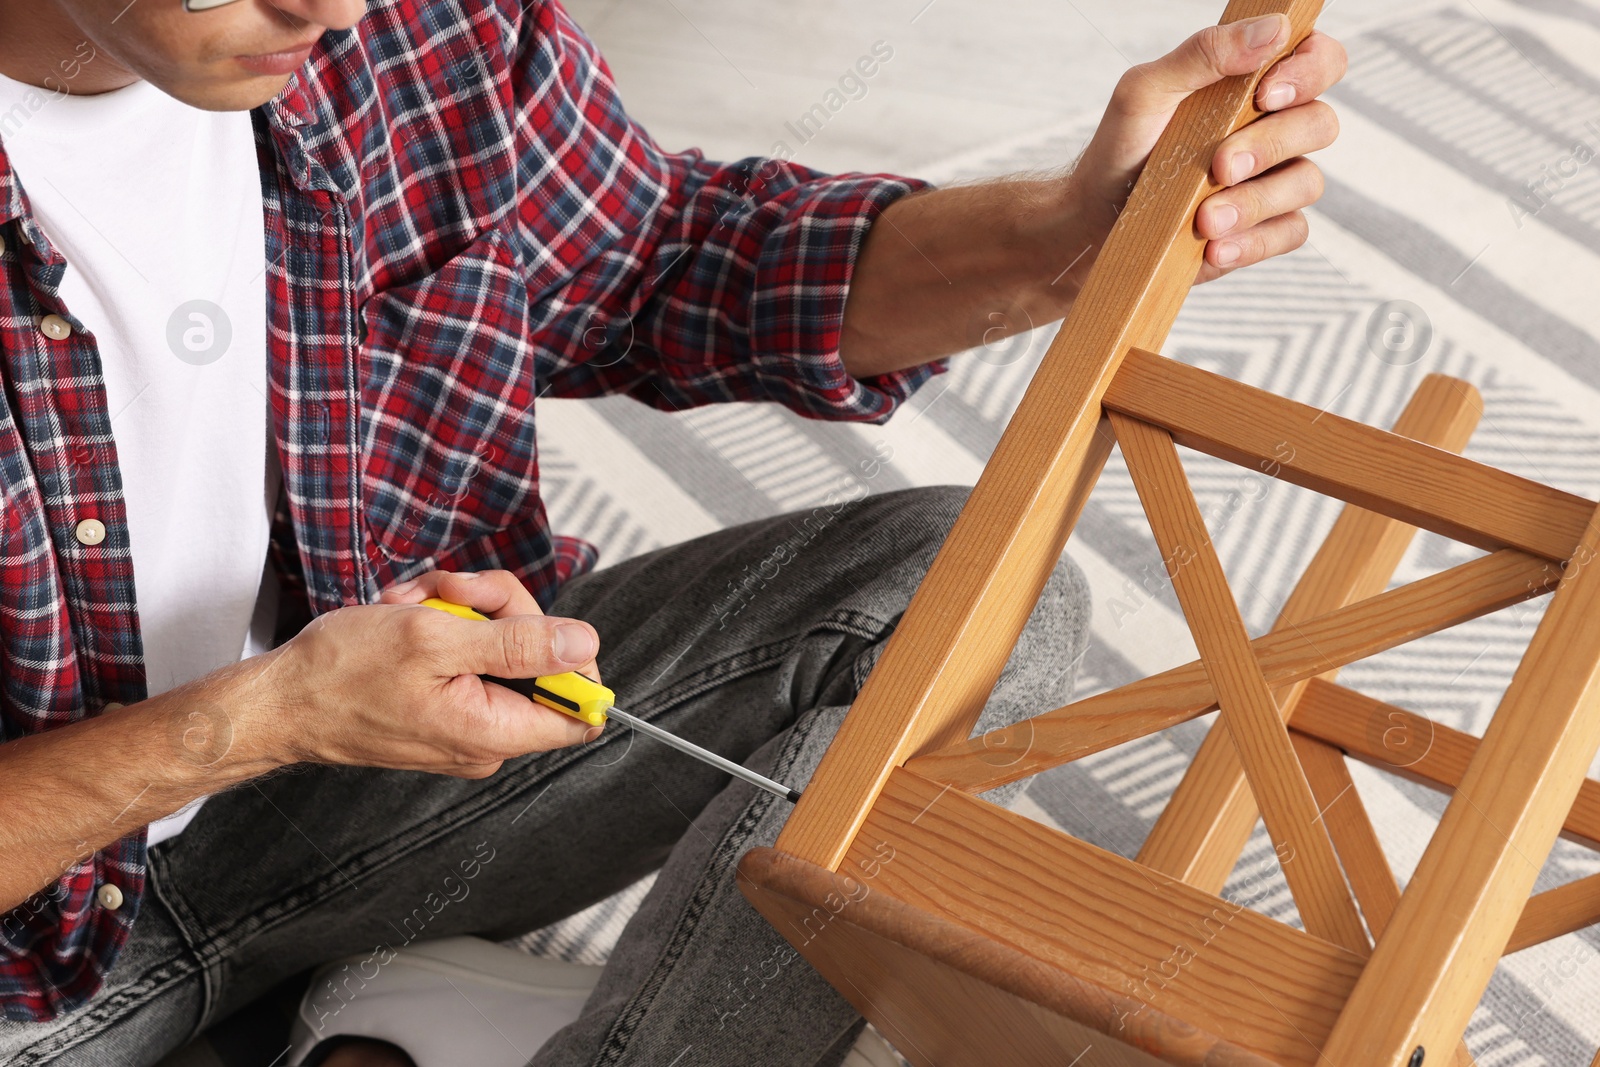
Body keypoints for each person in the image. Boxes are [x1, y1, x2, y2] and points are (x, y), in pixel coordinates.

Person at [0, 1, 1346, 1064]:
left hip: (345, 803)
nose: (334, 8)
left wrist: (1059, 240)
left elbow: (663, 259)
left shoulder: (409, 26)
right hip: (31, 951)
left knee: (945, 590)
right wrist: (271, 714)